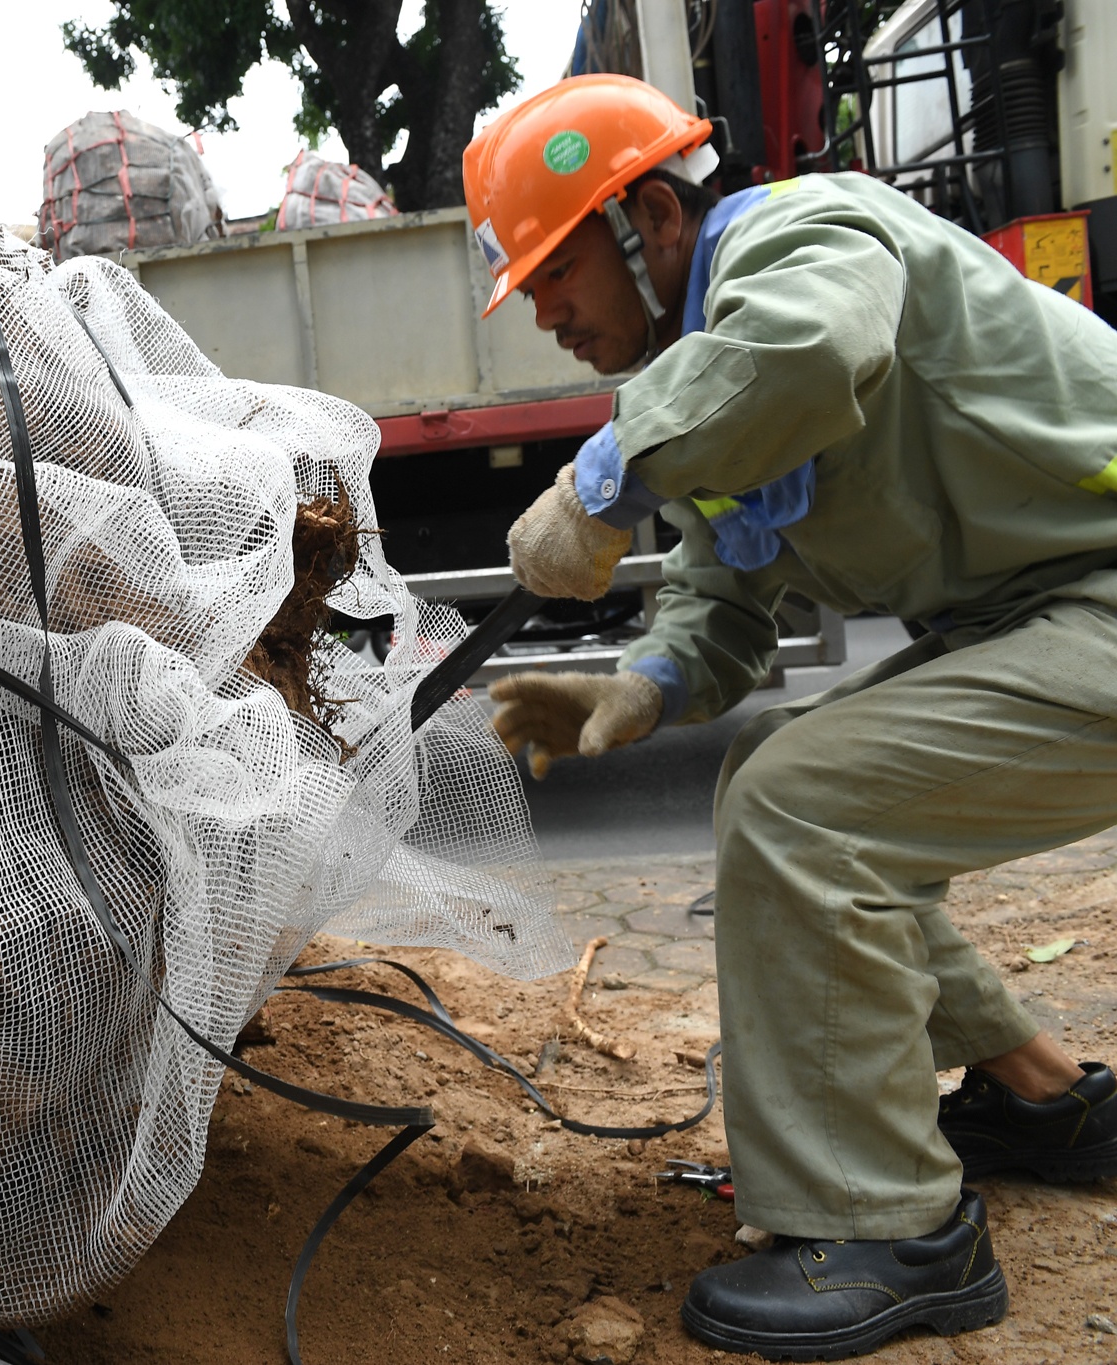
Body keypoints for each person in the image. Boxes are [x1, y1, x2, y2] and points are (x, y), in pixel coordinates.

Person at [463, 73, 1117, 1359]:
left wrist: (600, 482)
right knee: (783, 767)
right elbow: (724, 597)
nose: (541, 315)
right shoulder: (702, 364)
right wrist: (636, 687)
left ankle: (889, 1234)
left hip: (1096, 600)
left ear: (649, 217)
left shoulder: (796, 236)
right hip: (1046, 617)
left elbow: (812, 355)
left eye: (552, 274)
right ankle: (1044, 1103)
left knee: (797, 805)